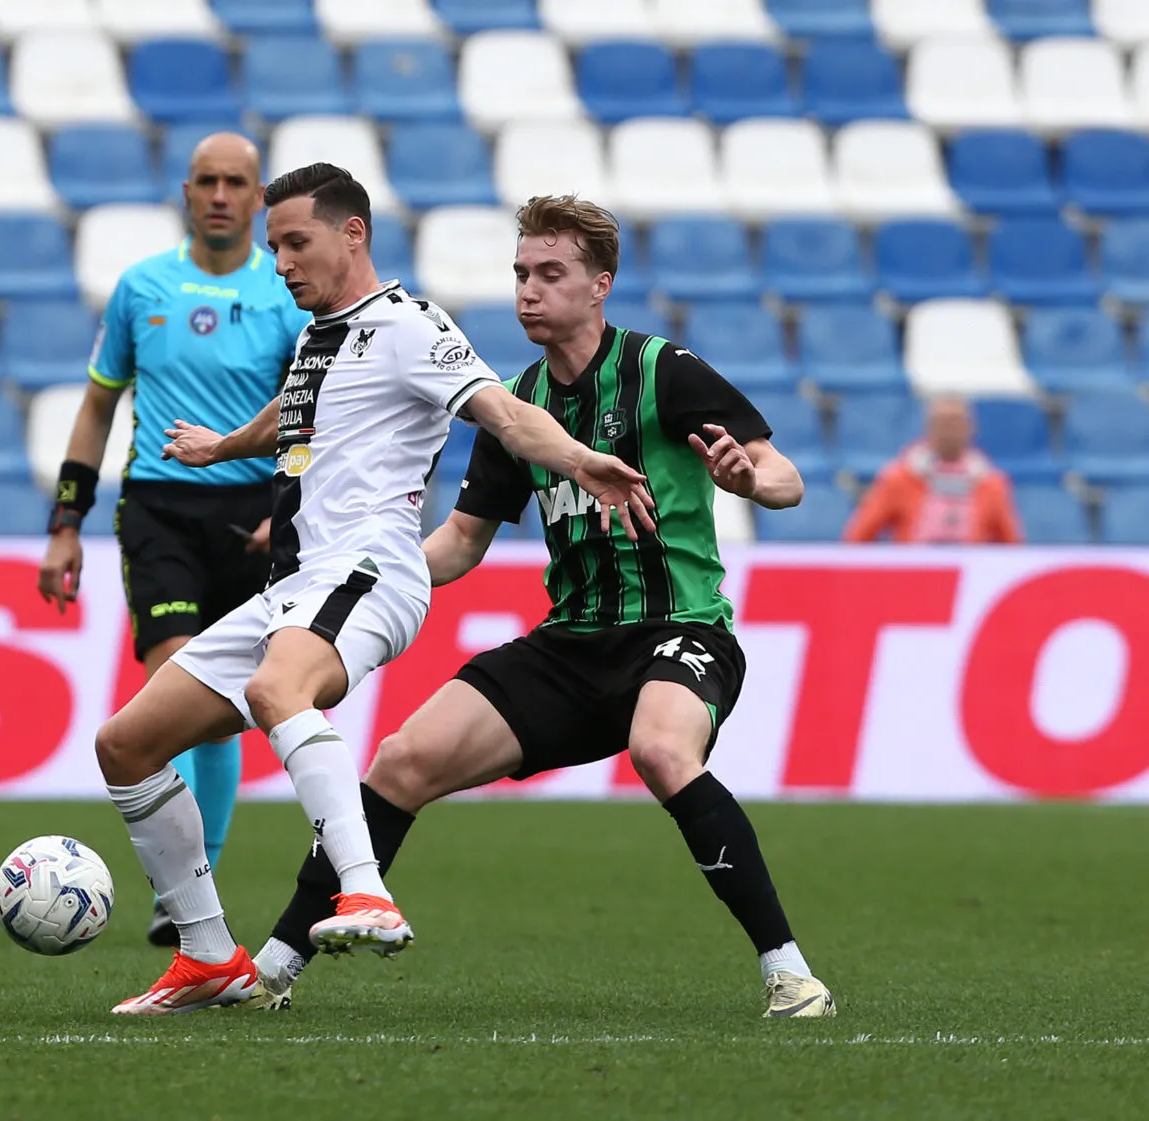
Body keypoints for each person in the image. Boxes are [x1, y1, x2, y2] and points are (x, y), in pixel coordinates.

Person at [244, 194, 837, 1020]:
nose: (528, 290)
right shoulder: (516, 405)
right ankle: (271, 967)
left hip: (680, 630)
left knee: (662, 750)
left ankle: (790, 972)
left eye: (550, 274)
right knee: (400, 761)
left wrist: (748, 478)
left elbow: (787, 478)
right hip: (571, 646)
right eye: (521, 273)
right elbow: (459, 541)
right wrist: (351, 577)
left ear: (600, 285)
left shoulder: (663, 370)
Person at [95, 165, 656, 1015]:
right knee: (126, 744)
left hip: (371, 568)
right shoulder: (321, 335)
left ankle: (364, 891)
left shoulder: (407, 325)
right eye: (275, 244)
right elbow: (295, 408)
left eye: (295, 242)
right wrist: (223, 446)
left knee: (277, 688)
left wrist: (580, 461)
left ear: (351, 234)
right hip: (294, 584)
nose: (278, 260)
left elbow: (501, 413)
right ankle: (208, 954)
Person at [37, 133, 309, 948]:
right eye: (206, 181)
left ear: (259, 198)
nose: (220, 194)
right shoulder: (141, 287)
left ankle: (197, 873)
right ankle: (174, 885)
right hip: (158, 505)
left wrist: (288, 507)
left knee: (221, 714)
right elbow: (97, 404)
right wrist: (64, 523)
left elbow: (306, 416)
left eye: (236, 182)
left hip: (252, 512)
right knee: (172, 677)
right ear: (186, 192)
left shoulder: (286, 294)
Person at [843, 396, 1023, 544]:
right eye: (942, 423)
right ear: (928, 427)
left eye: (955, 423)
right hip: (912, 576)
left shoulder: (992, 484)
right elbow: (859, 537)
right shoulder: (898, 478)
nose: (949, 431)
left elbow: (1011, 545)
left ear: (971, 428)